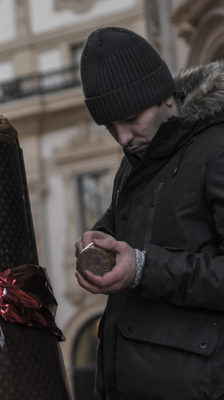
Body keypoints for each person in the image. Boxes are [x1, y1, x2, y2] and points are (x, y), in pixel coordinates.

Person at [74, 26, 224, 400]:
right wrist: (99, 236)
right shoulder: (138, 158)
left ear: (166, 98)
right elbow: (137, 222)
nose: (123, 138)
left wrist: (143, 269)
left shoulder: (217, 150)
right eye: (111, 127)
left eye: (130, 119)